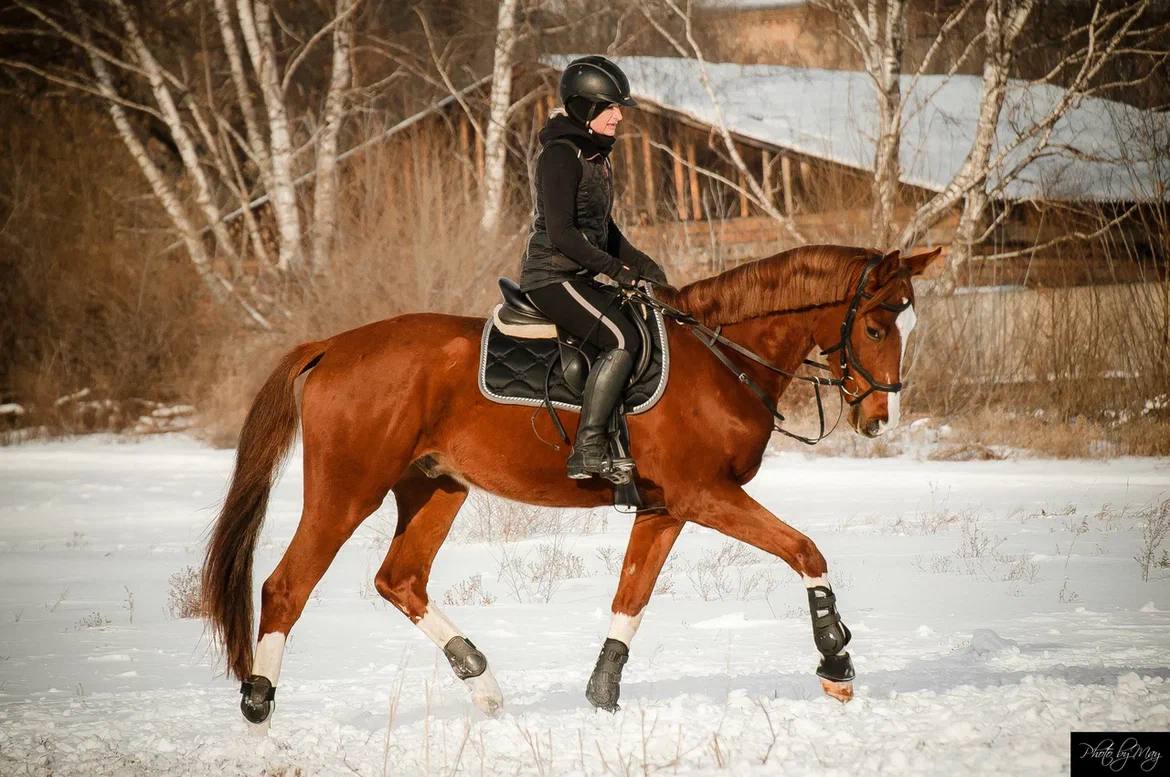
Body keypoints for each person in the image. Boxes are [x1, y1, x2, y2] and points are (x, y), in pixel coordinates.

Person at [519, 55, 668, 481]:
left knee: (642, 321)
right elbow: (564, 234)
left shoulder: (595, 158)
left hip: (578, 274)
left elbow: (605, 229)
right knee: (620, 338)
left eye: (619, 108)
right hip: (551, 276)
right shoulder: (560, 157)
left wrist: (644, 265)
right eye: (611, 108)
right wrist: (617, 272)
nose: (620, 116)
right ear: (585, 108)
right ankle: (587, 449)